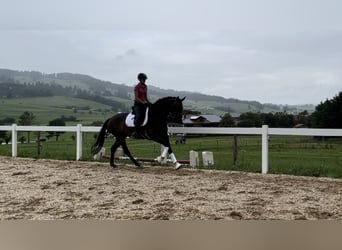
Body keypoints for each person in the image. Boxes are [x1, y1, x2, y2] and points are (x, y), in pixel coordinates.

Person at [132, 73, 150, 138]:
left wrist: (149, 103)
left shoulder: (145, 86)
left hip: (144, 104)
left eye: (145, 79)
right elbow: (136, 98)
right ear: (140, 79)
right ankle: (136, 132)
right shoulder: (137, 87)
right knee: (139, 116)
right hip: (138, 105)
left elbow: (145, 97)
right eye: (143, 79)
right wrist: (143, 102)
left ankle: (146, 131)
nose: (145, 80)